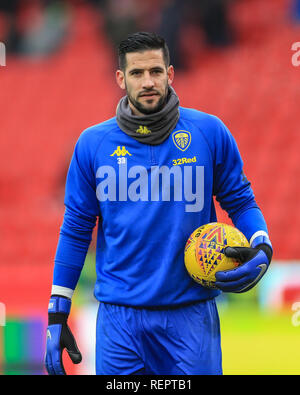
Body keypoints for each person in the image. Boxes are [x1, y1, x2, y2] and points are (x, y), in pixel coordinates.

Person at [44, 32, 273, 375]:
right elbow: (76, 230)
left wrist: (262, 246)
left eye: (155, 71)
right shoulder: (92, 144)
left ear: (170, 73)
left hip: (191, 315)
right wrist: (58, 310)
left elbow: (241, 202)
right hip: (119, 320)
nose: (148, 81)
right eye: (137, 73)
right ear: (121, 78)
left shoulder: (209, 132)